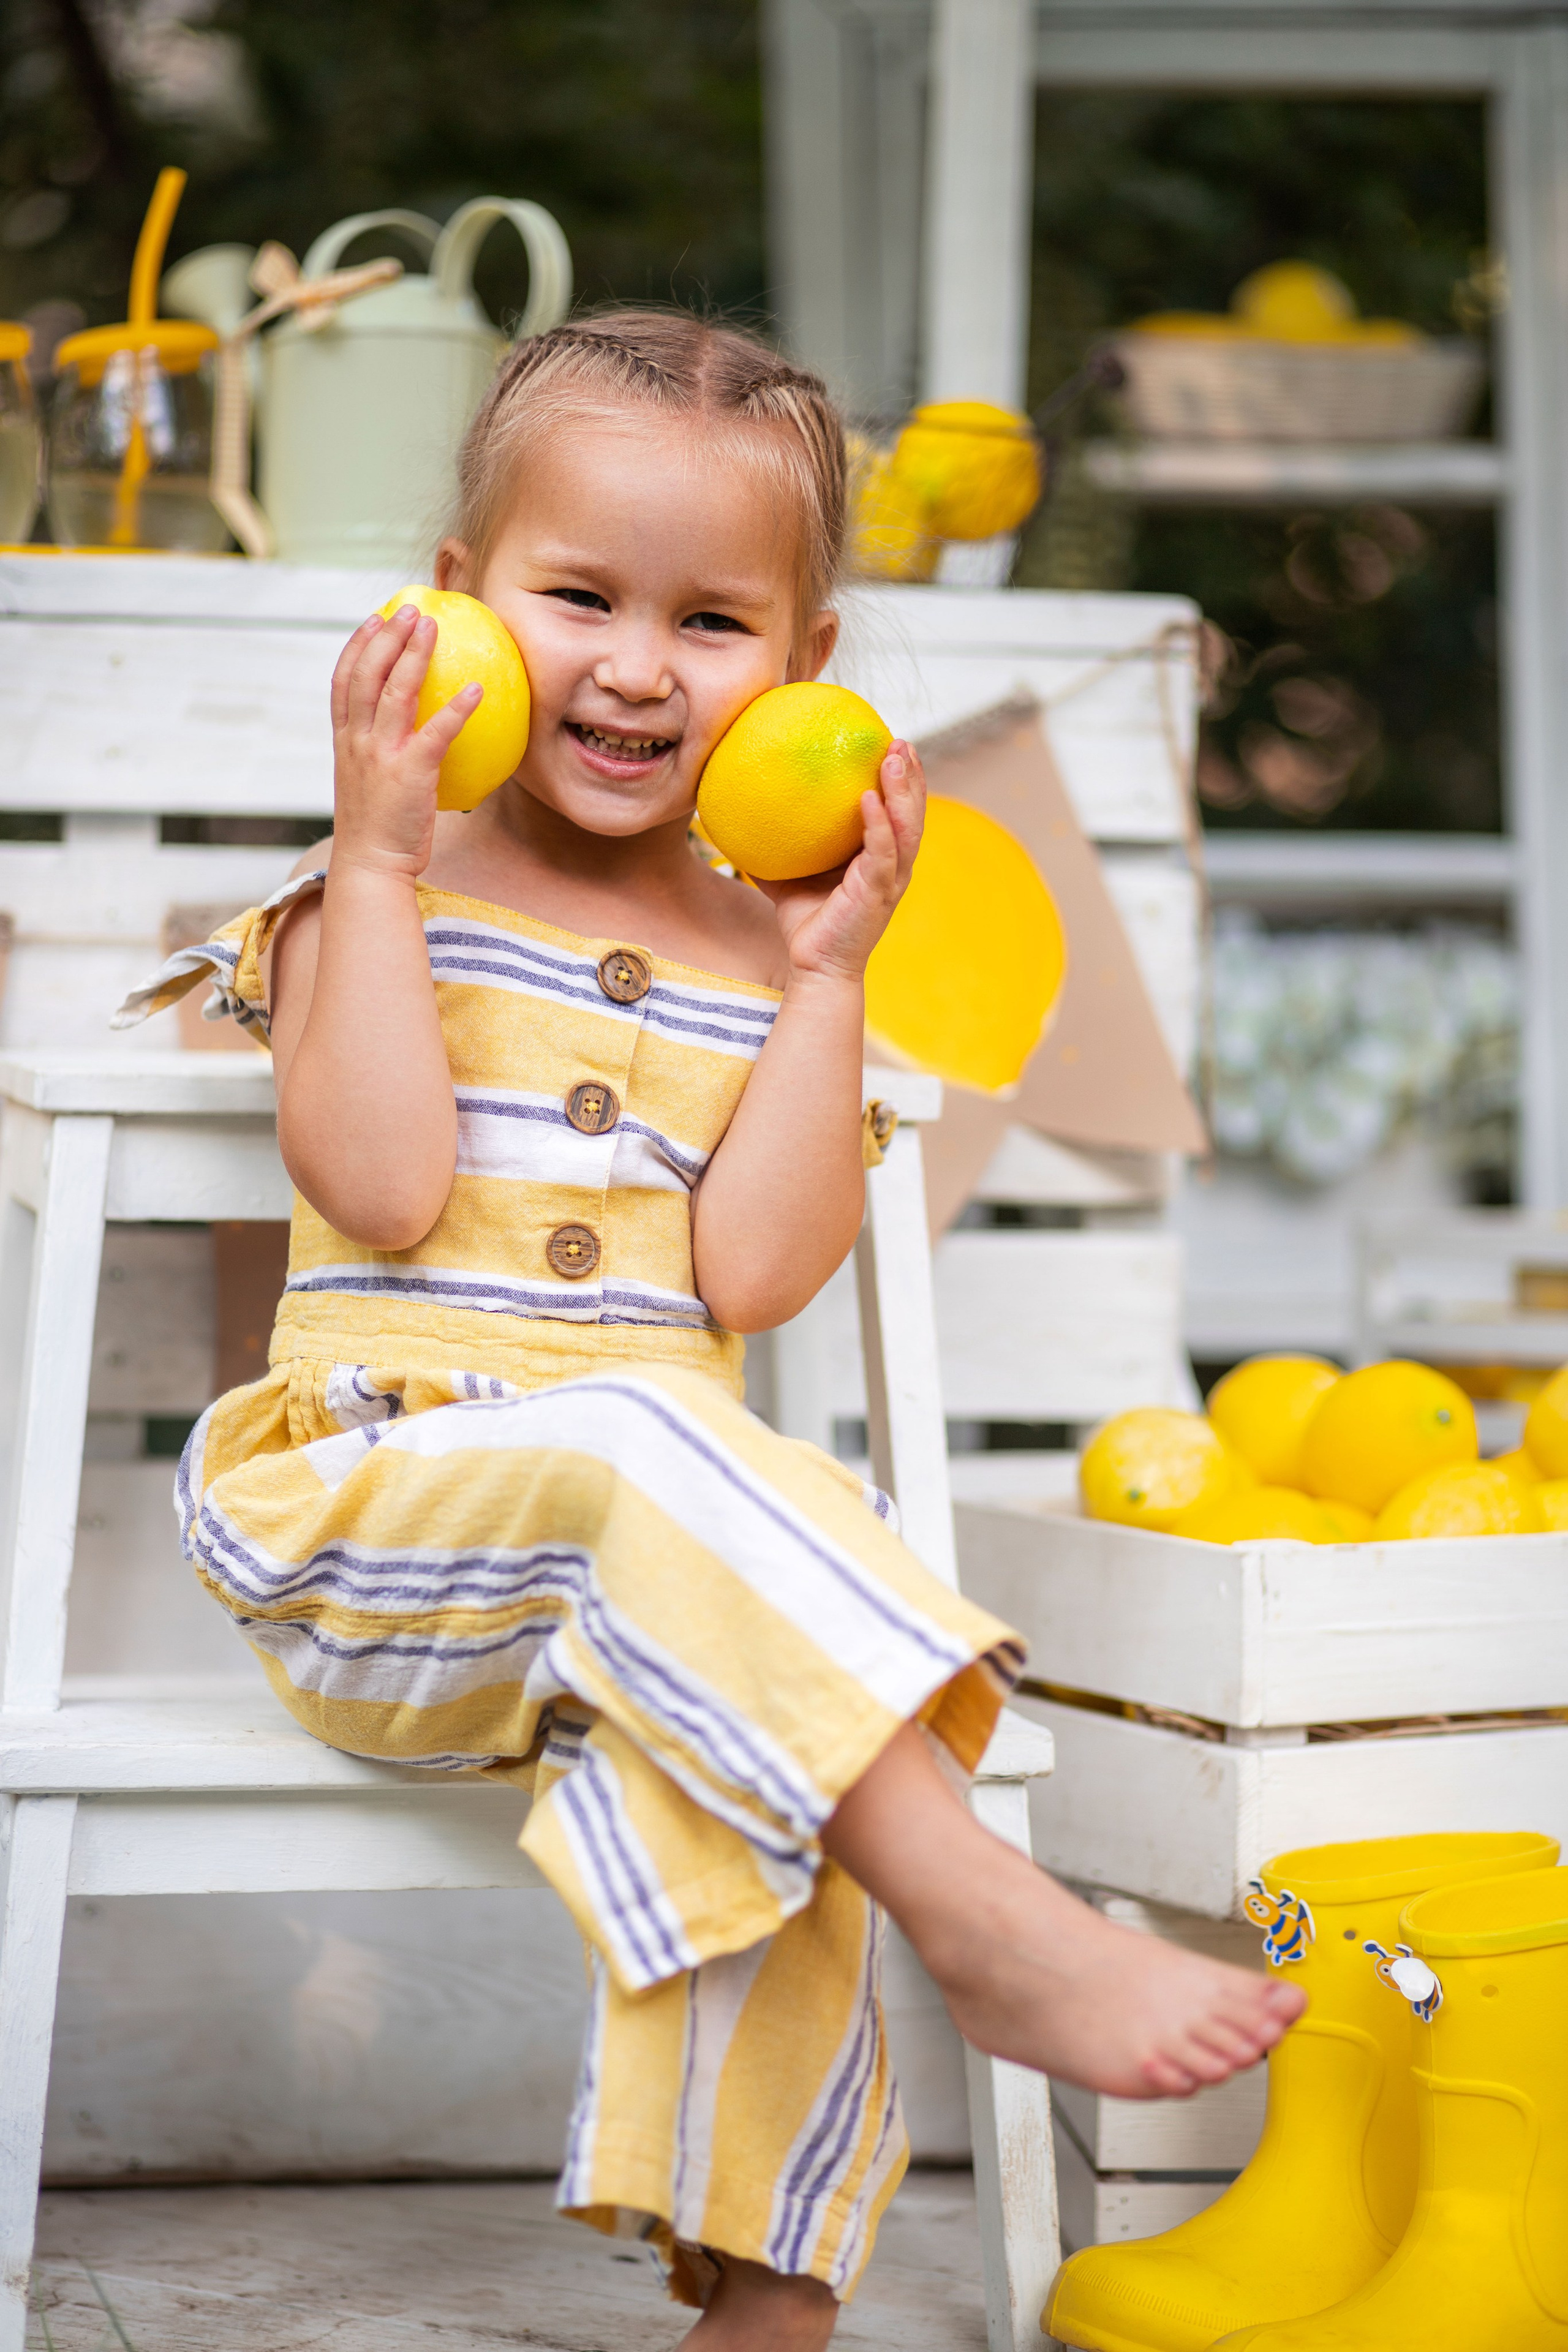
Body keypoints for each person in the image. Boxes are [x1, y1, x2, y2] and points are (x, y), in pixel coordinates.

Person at [116, 311, 1303, 2350]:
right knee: (705, 1496)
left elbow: (749, 1282)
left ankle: (765, 2307)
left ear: (805, 673)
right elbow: (387, 1190)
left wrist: (832, 975)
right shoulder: (361, 895)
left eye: (713, 622)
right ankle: (987, 1914)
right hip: (379, 1540)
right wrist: (384, 861)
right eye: (578, 598)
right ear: (456, 612)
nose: (640, 667)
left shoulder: (767, 950)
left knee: (759, 1682)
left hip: (656, 1587)